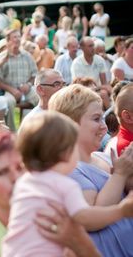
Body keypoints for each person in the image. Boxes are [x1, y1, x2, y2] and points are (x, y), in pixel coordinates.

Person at [0, 131, 100, 257]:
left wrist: (79, 241)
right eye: (2, 172)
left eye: (20, 168)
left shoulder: (48, 216)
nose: (16, 178)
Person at [3, 111, 133, 256]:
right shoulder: (63, 185)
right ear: (66, 154)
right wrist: (121, 211)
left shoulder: (24, 183)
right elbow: (86, 218)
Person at [49, 84, 133, 256]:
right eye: (96, 119)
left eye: (103, 118)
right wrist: (120, 174)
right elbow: (90, 217)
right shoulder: (68, 169)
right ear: (70, 125)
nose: (104, 127)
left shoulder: (101, 158)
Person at [0, 30, 38, 130]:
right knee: (8, 101)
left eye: (19, 37)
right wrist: (12, 90)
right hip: (9, 91)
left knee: (41, 97)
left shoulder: (27, 56)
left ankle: (33, 129)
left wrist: (28, 84)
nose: (17, 39)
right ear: (8, 41)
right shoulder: (1, 57)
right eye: (14, 37)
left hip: (27, 89)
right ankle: (12, 132)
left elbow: (35, 74)